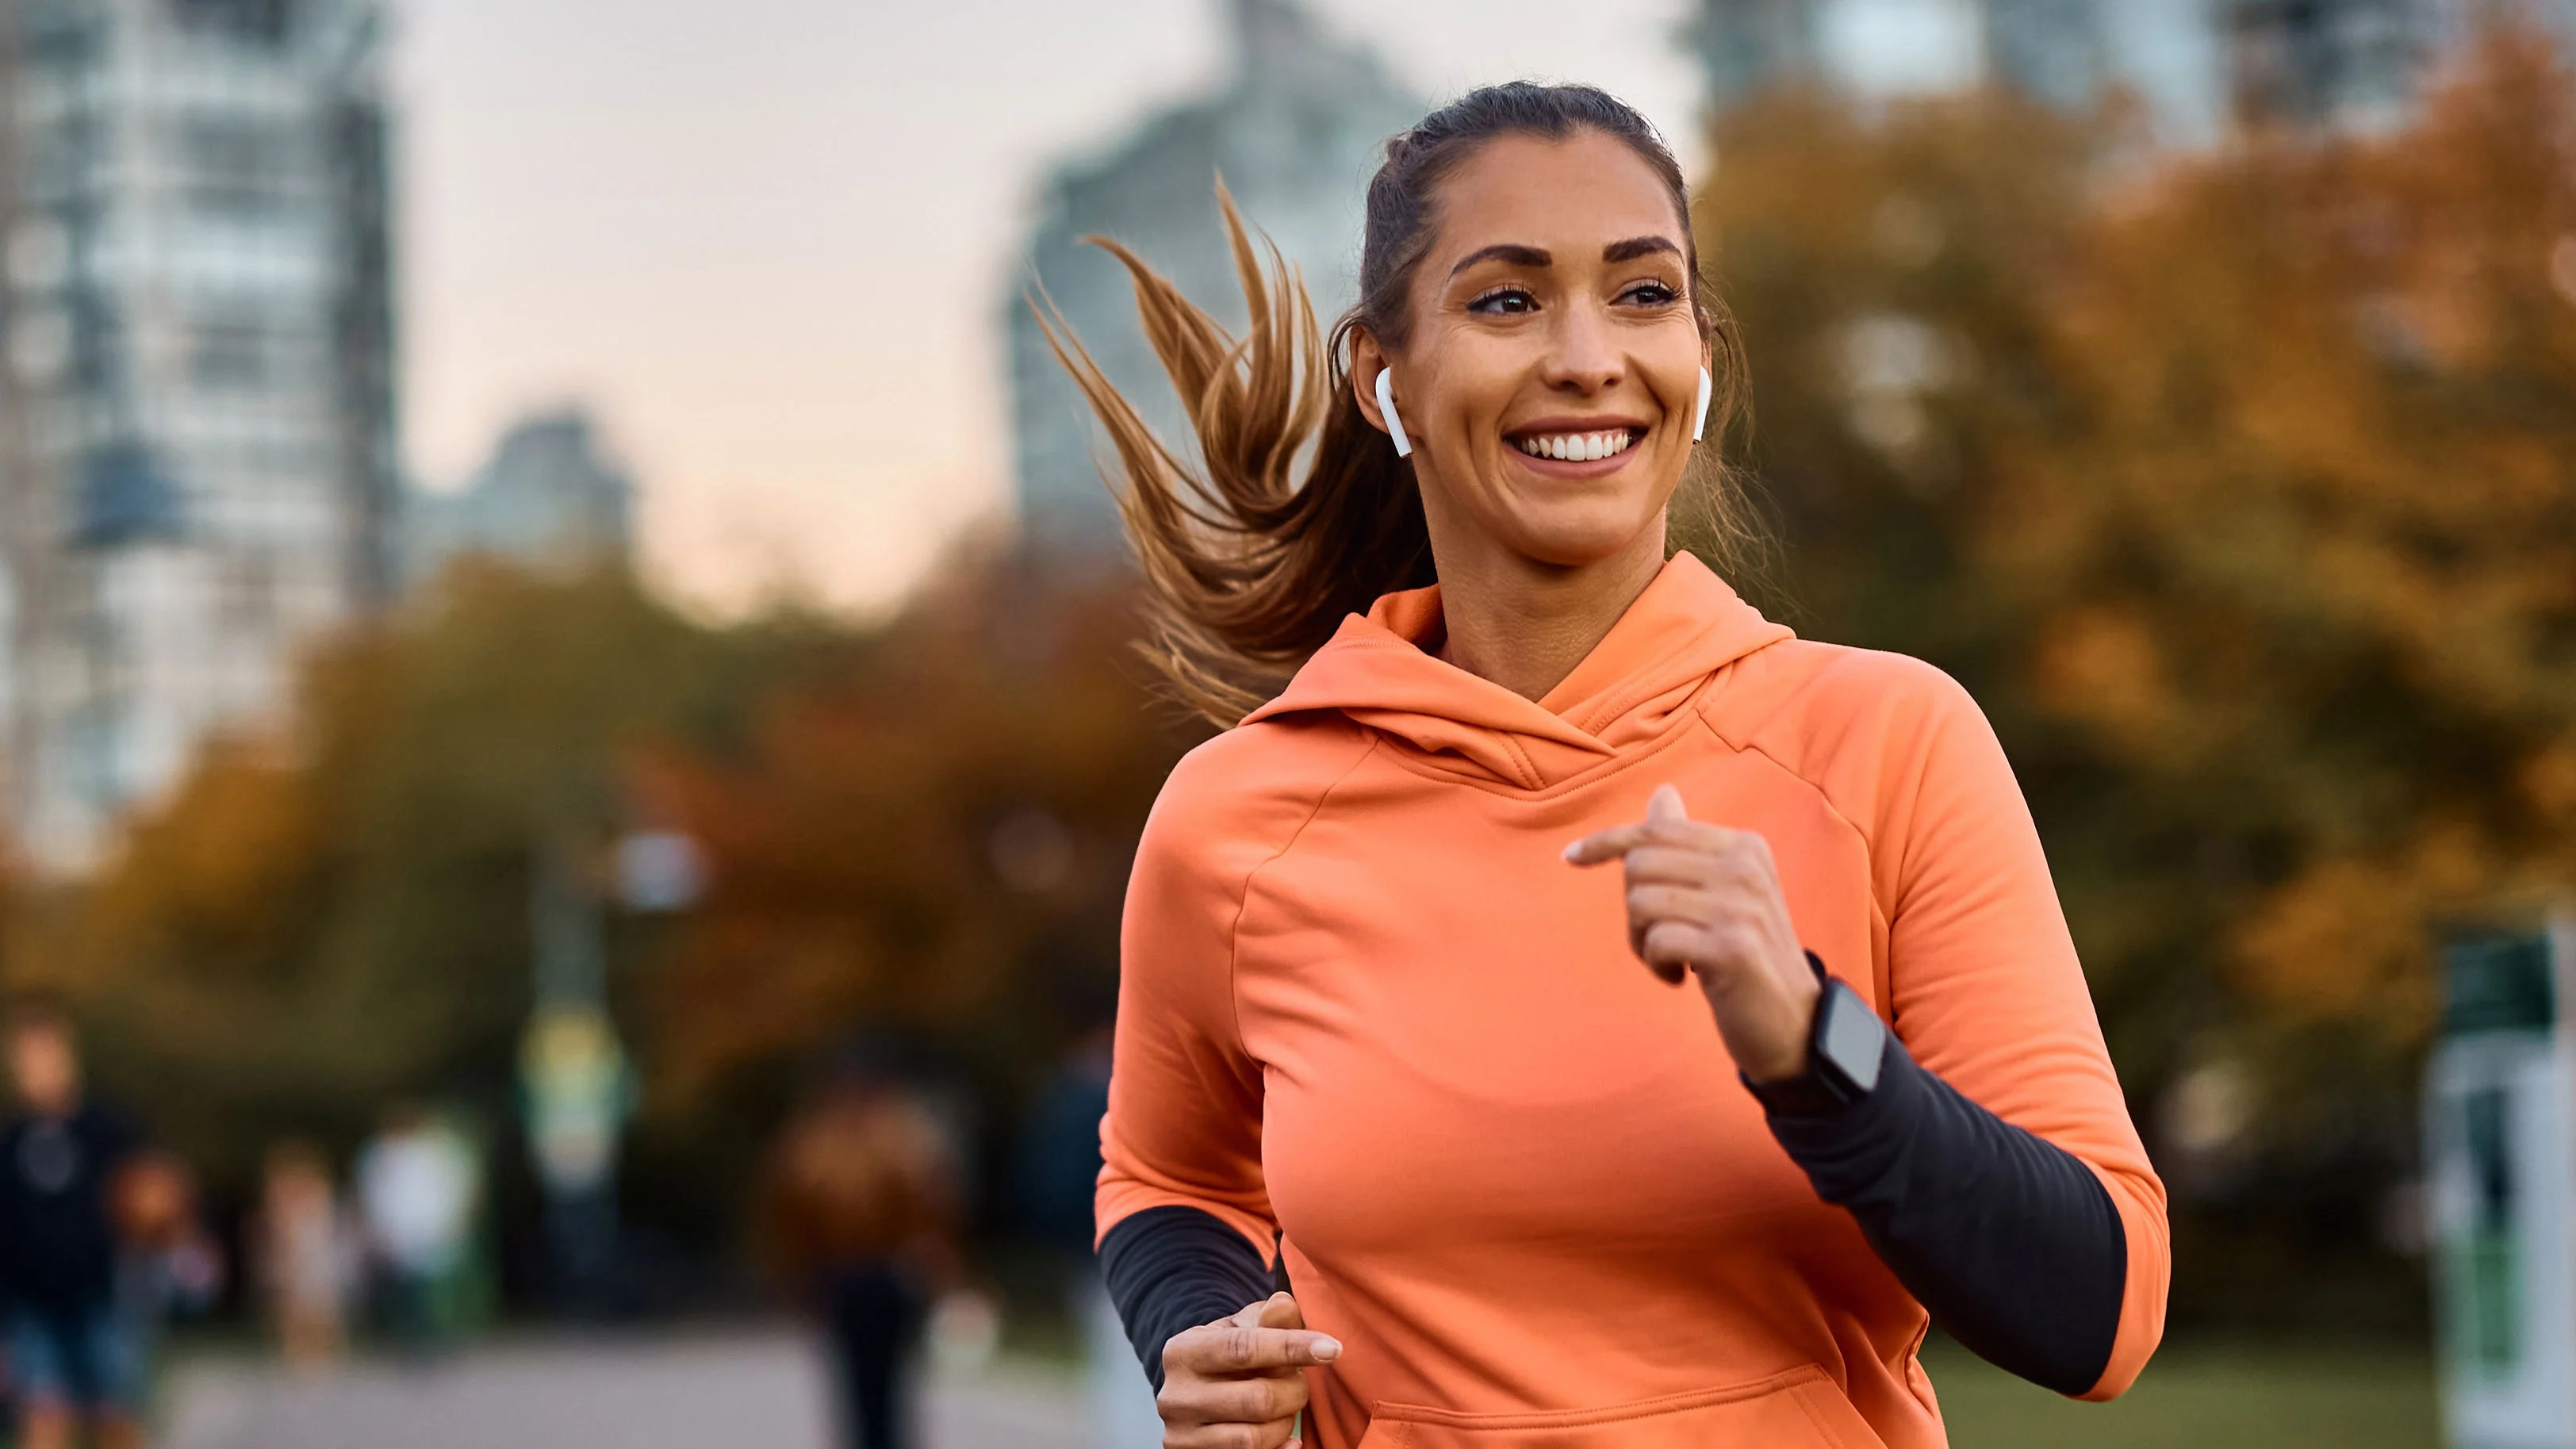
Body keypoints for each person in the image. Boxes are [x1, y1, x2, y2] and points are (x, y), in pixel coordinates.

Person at [1043, 82, 2170, 1449]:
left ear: (1697, 354)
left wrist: (1815, 1047)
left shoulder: (1886, 741)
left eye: (1640, 295)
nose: (1587, 356)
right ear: (1380, 376)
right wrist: (1200, 1329)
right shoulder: (1237, 817)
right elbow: (1164, 1172)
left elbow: (2100, 1311)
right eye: (1506, 302)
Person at [760, 1055, 961, 1449]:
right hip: (855, 1276)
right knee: (872, 1381)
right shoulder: (888, 1140)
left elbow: (930, 1210)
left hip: (872, 1275)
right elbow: (791, 1217)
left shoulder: (825, 1144)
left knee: (875, 1380)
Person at [0, 1002, 151, 1449]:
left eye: (45, 1054)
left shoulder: (105, 1127)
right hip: (31, 1302)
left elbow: (149, 1191)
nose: (36, 1068)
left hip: (103, 1292)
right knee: (44, 1418)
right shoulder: (10, 1139)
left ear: (68, 1056)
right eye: (24, 1058)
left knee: (115, 1415)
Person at [355, 1105, 477, 1357]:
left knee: (434, 1289)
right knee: (408, 1291)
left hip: (432, 1227)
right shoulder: (379, 1156)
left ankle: (438, 1338)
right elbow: (374, 1195)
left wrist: (456, 1218)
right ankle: (413, 1340)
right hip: (400, 1231)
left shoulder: (436, 1151)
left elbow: (455, 1187)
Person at [254, 1141, 355, 1368]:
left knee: (319, 1303)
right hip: (299, 1253)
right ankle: (300, 1352)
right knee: (296, 1303)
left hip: (313, 1252)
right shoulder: (285, 1192)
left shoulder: (314, 1190)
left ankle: (321, 1351)